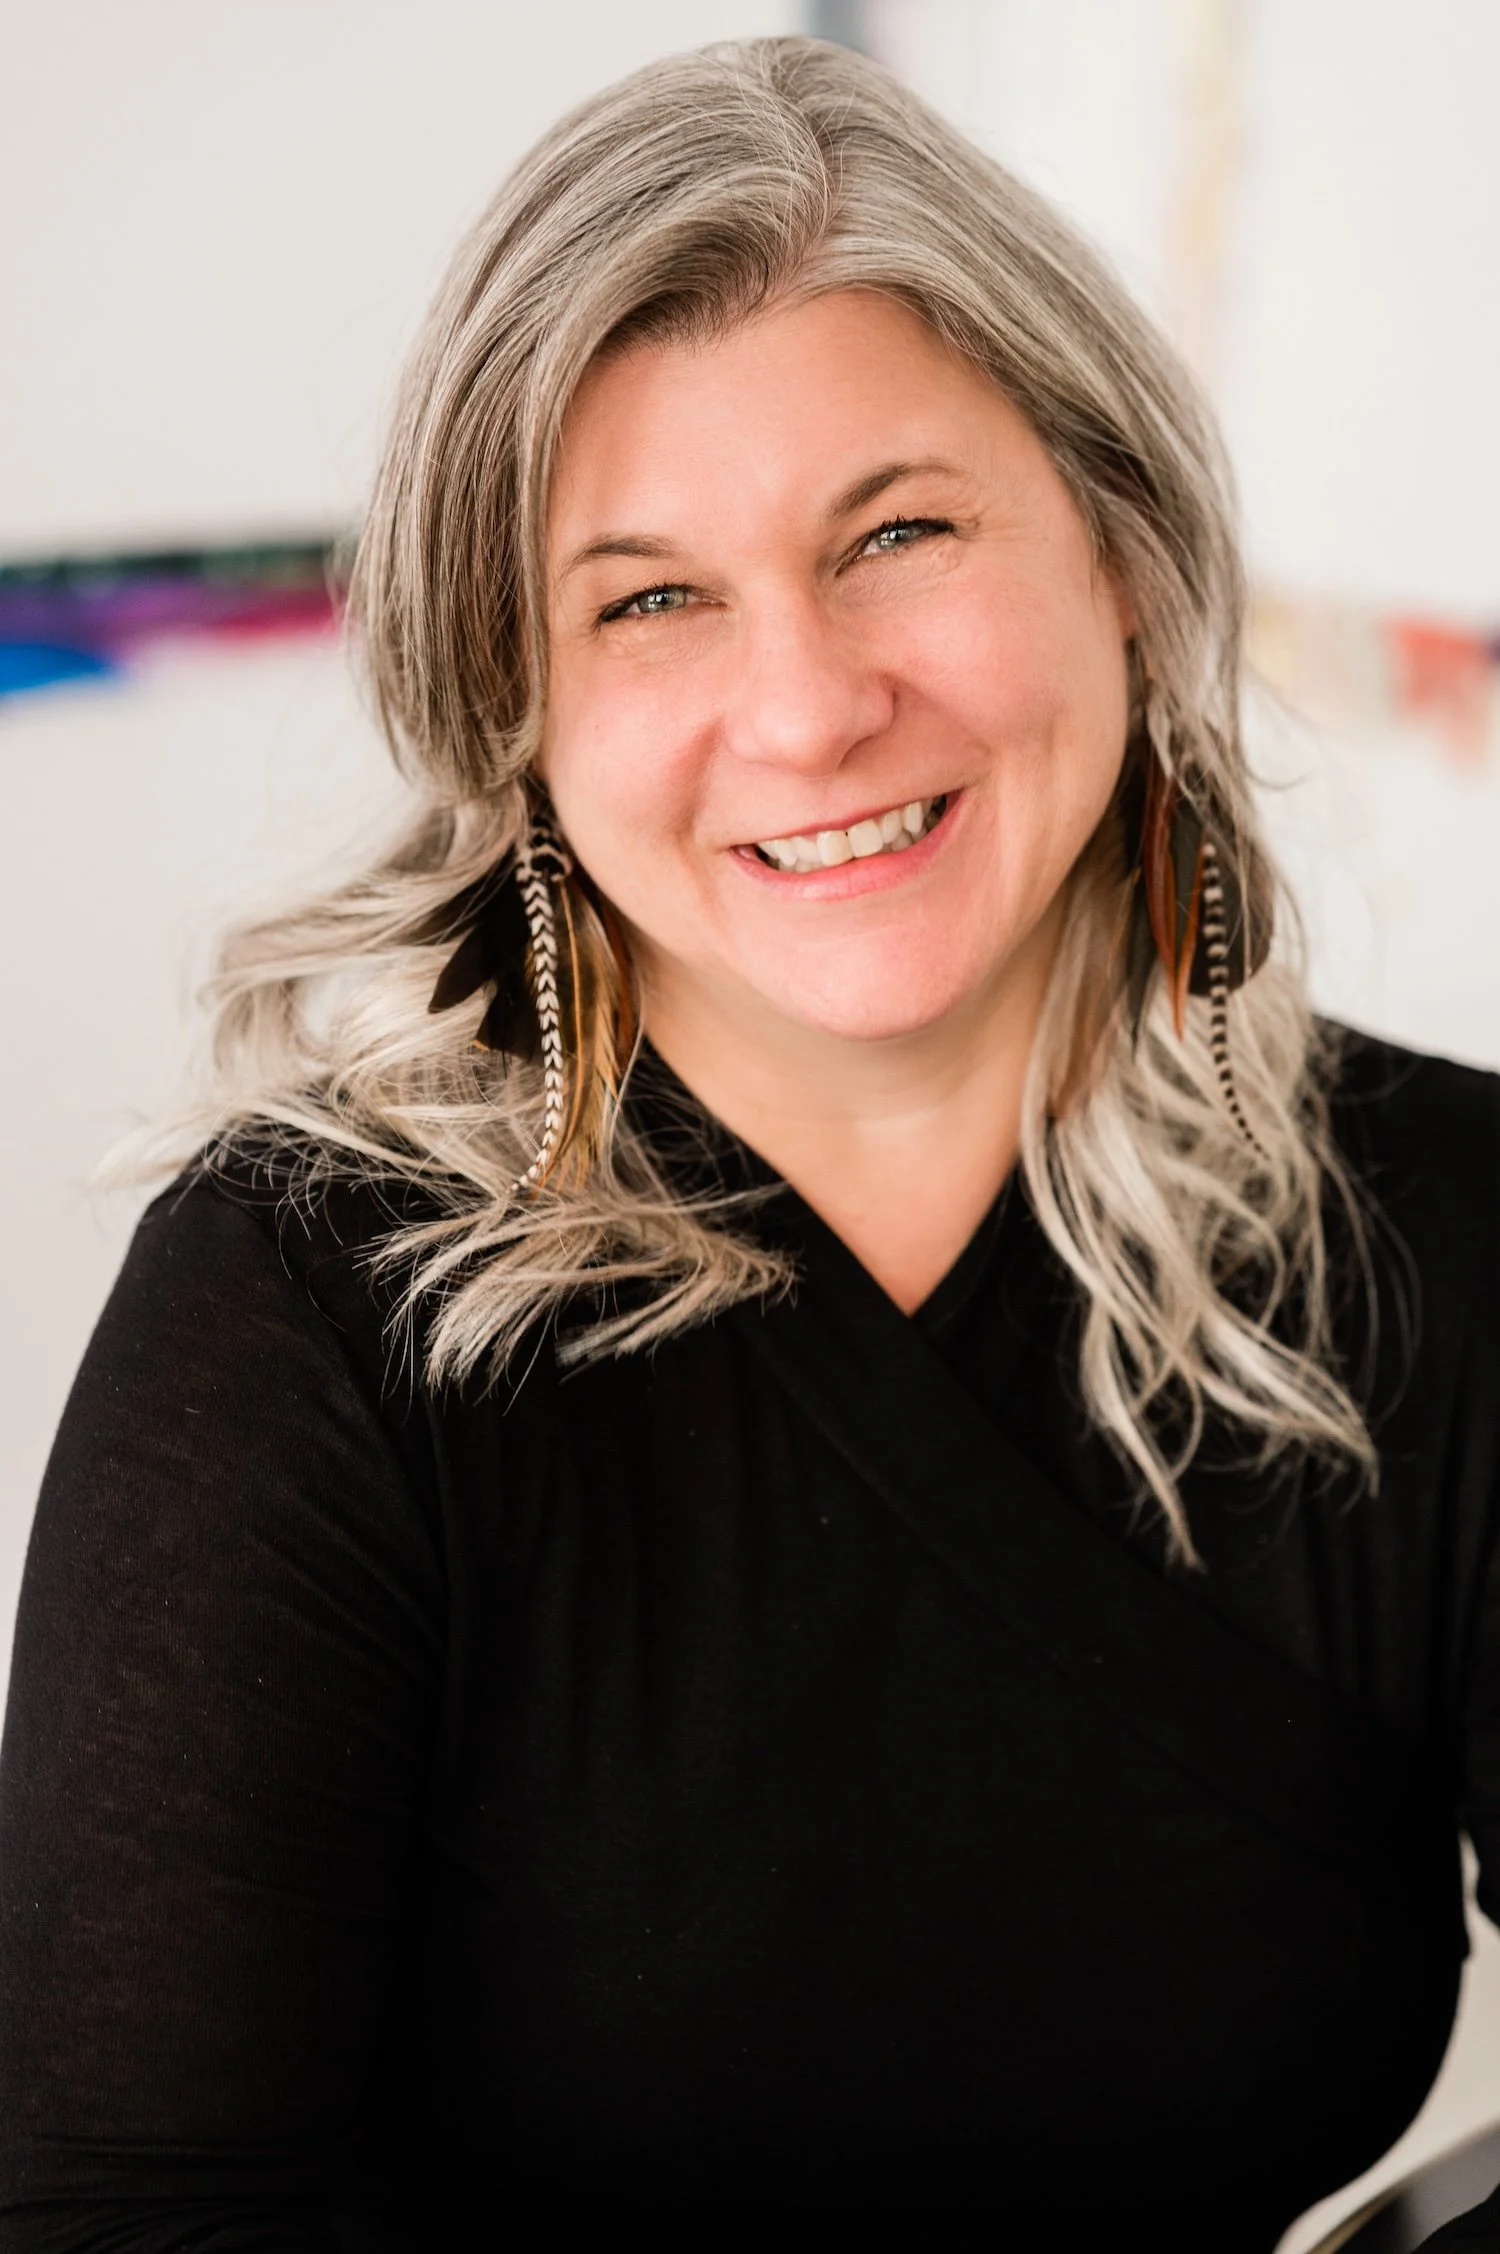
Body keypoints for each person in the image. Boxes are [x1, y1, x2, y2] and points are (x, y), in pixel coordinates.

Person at [0, 34, 1496, 2253]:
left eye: (896, 532)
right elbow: (125, 2217)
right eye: (649, 596)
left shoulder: (1451, 1234)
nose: (804, 703)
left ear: (1122, 559)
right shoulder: (301, 1313)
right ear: (517, 708)